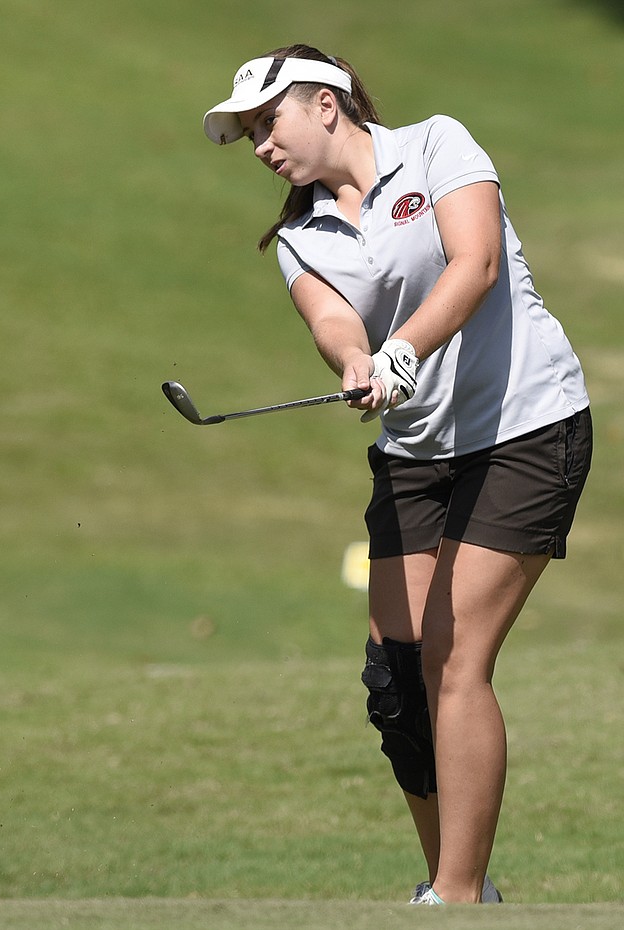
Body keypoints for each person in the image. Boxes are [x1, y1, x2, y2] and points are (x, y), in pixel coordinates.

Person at [202, 44, 592, 905]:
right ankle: (460, 885)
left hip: (526, 426)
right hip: (417, 455)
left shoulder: (437, 145)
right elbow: (332, 319)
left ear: (326, 103)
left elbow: (476, 263)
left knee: (455, 659)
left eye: (270, 122)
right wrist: (356, 363)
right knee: (396, 680)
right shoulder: (300, 238)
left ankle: (454, 899)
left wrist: (405, 349)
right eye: (249, 134)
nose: (261, 145)